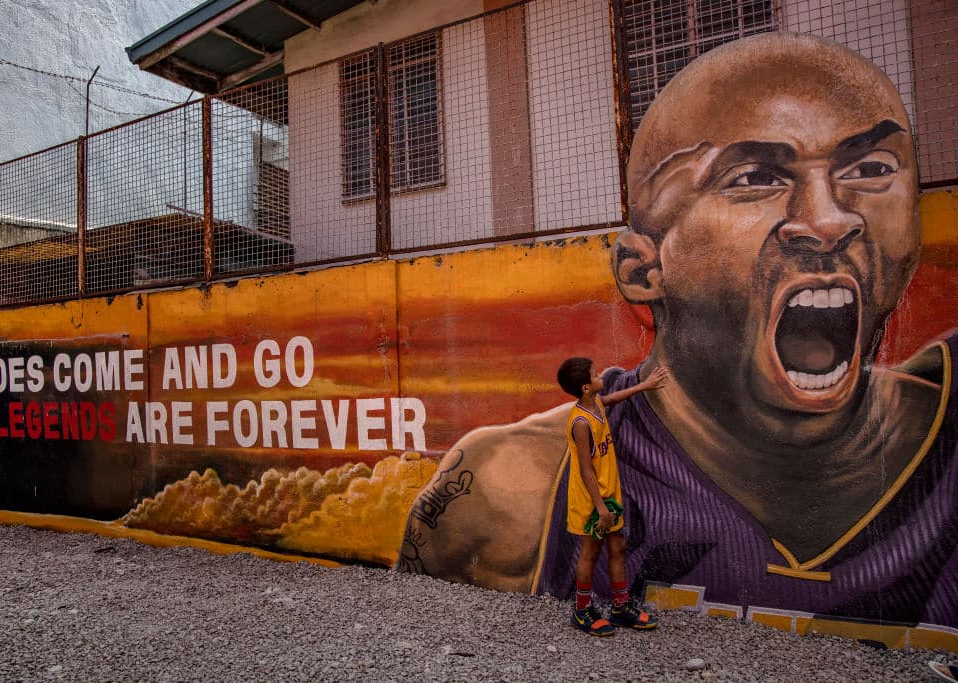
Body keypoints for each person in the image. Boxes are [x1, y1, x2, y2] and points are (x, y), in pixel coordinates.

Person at [396, 32, 958, 631]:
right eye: (754, 178)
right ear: (643, 272)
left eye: (870, 169)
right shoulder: (507, 488)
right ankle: (596, 609)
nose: (828, 220)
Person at [556, 357, 665, 635]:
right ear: (585, 387)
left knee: (618, 548)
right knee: (590, 554)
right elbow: (585, 470)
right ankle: (581, 611)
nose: (600, 374)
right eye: (595, 374)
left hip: (609, 495)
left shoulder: (595, 404)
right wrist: (601, 508)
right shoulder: (581, 422)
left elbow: (614, 398)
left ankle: (620, 607)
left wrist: (645, 385)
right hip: (593, 501)